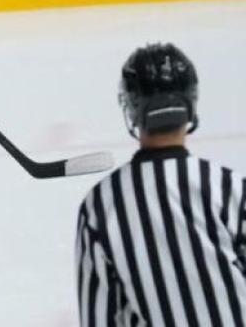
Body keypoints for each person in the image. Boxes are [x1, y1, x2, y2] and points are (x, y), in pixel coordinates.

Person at [76, 42, 246, 326]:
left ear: (131, 109)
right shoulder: (229, 188)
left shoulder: (100, 205)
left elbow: (99, 317)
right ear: (190, 103)